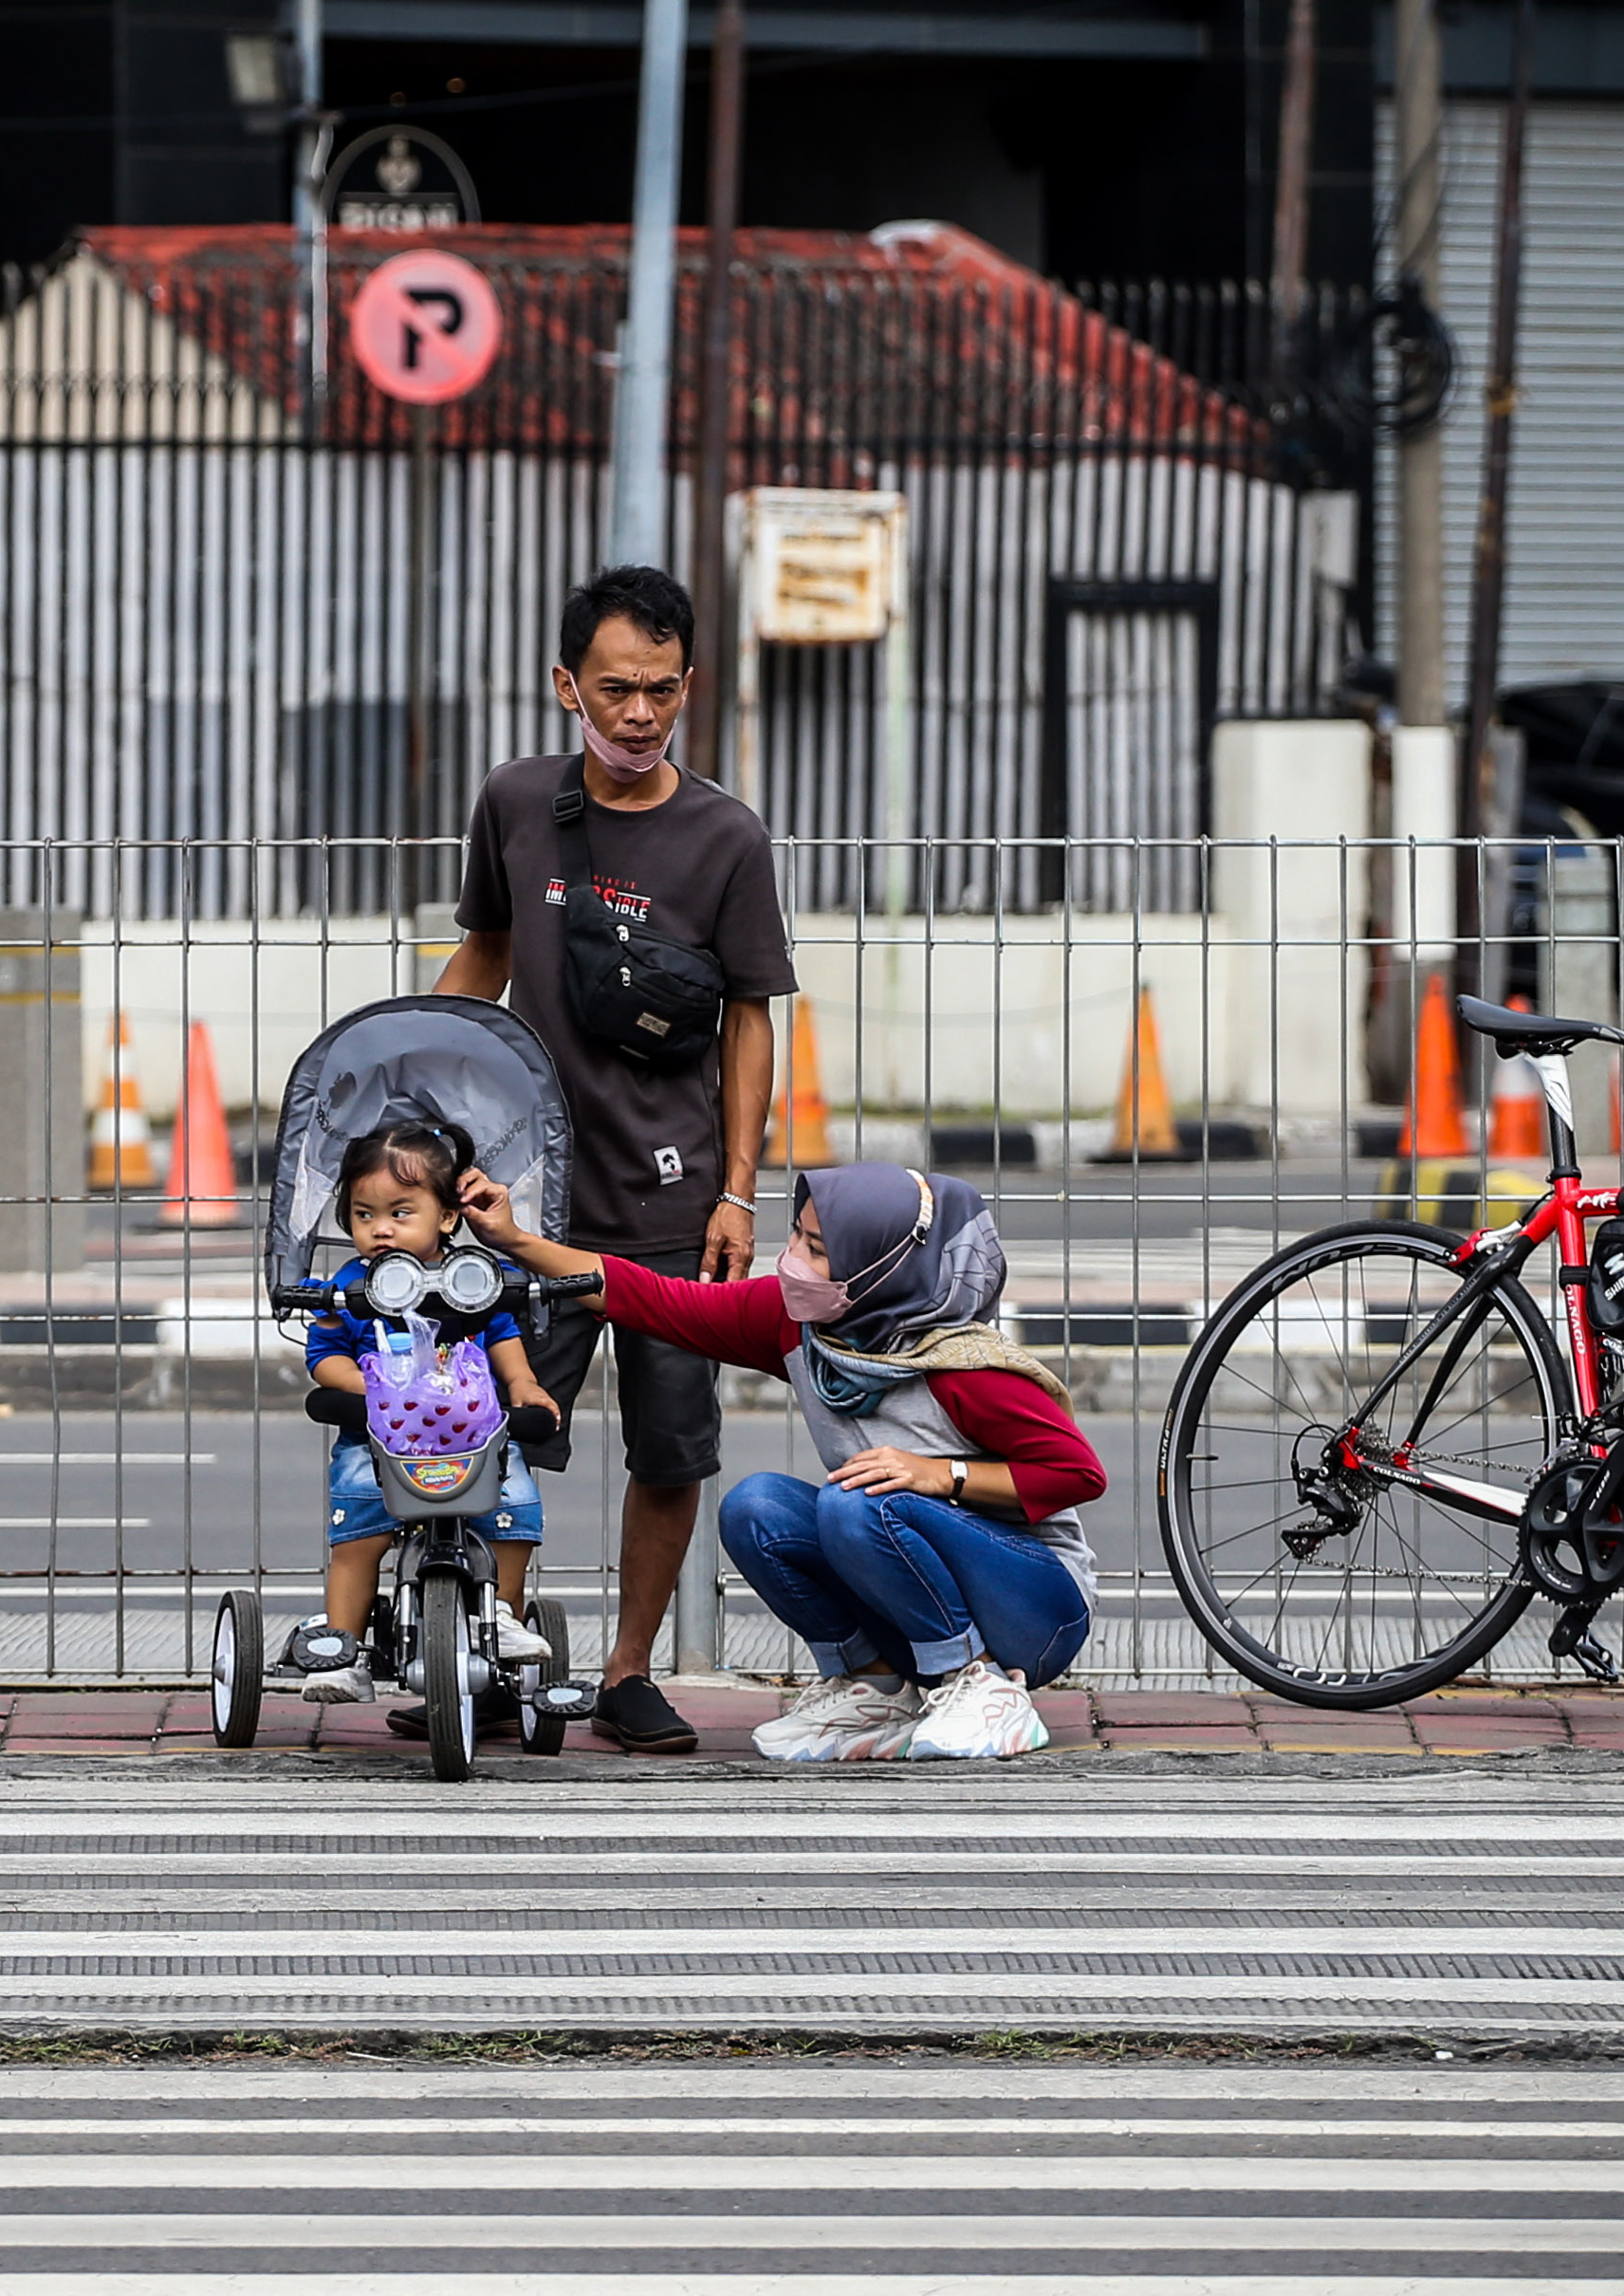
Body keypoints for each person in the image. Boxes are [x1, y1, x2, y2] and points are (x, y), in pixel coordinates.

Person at [437, 566, 795, 1752]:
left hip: (671, 1205)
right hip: (522, 1201)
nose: (637, 714)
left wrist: (738, 1188)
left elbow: (751, 1018)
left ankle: (629, 1670)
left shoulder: (725, 836)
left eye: (658, 690)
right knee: (492, 1428)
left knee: (672, 1443)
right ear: (564, 688)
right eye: (613, 690)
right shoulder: (514, 803)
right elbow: (482, 953)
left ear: (687, 687)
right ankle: (489, 1652)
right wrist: (412, 1085)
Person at [460, 1160, 1104, 1761]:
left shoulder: (962, 1366)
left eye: (818, 1250)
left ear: (879, 1269)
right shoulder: (802, 1323)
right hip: (909, 1555)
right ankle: (873, 1688)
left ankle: (981, 1685)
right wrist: (514, 1237)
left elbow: (1078, 1473)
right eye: (797, 1235)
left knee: (856, 1502)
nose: (792, 1260)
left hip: (1036, 1609)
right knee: (756, 1506)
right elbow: (652, 1298)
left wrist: (943, 1474)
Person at [293, 1120, 562, 1703]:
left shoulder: (473, 1278)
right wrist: (373, 1388)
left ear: (446, 1216)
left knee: (511, 1505)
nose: (380, 1230)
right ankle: (343, 1645)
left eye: (399, 1213)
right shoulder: (351, 1285)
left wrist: (524, 1384)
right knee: (360, 1519)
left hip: (473, 1436)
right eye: (364, 1216)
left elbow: (502, 1334)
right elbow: (324, 1356)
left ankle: (504, 1617)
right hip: (381, 1439)